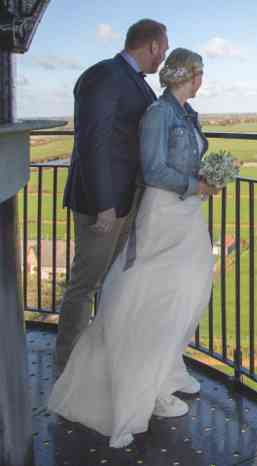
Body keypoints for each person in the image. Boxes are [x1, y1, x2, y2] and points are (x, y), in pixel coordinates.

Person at [48, 48, 220, 449]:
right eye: (201, 73)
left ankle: (168, 369)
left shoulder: (187, 114)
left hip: (187, 215)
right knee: (154, 295)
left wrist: (206, 176)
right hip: (164, 216)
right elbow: (154, 169)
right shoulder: (160, 114)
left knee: (190, 292)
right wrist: (197, 186)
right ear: (189, 75)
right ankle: (144, 383)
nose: (203, 81)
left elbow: (184, 161)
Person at [55, 19, 169, 375]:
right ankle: (67, 366)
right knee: (84, 284)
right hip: (103, 204)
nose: (163, 58)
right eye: (163, 51)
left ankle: (97, 356)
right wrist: (104, 203)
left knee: (109, 279)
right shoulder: (104, 76)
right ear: (151, 46)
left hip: (124, 199)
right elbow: (94, 142)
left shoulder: (134, 82)